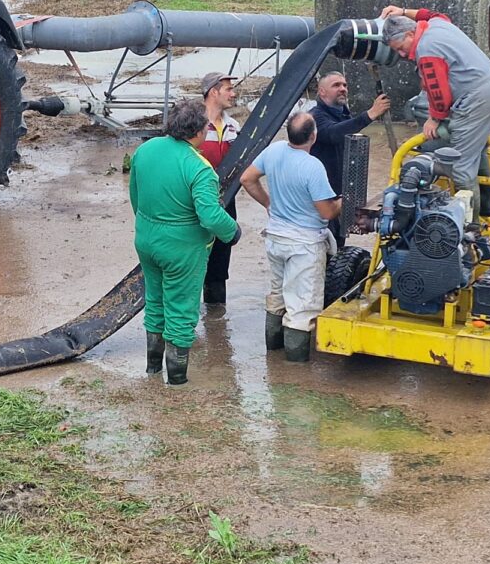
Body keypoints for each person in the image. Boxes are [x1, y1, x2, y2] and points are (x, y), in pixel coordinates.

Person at [130, 99, 241, 386]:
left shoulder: (145, 150)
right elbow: (210, 216)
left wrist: (149, 227)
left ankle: (152, 369)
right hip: (182, 248)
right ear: (200, 131)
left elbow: (136, 197)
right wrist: (233, 232)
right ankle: (176, 381)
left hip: (146, 239)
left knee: (155, 300)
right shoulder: (199, 167)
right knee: (181, 310)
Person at [379, 5, 490, 216]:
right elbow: (432, 14)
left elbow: (439, 94)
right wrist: (403, 12)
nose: (402, 54)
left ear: (411, 33)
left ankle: (470, 229)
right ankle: (487, 207)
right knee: (477, 151)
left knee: (460, 168)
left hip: (477, 100)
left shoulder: (426, 50)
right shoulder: (436, 25)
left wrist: (434, 119)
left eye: (400, 47)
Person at [240, 113, 341, 363]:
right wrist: (342, 202)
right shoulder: (312, 166)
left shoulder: (274, 151)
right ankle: (293, 372)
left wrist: (269, 204)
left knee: (278, 296)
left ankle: (272, 356)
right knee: (302, 308)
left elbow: (247, 179)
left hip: (275, 237)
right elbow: (327, 211)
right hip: (304, 244)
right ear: (313, 136)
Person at [308, 71, 391, 247]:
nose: (343, 89)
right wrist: (369, 114)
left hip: (340, 194)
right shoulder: (314, 117)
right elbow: (333, 133)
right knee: (323, 245)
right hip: (321, 198)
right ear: (322, 92)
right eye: (336, 85)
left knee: (339, 242)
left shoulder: (342, 114)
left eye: (344, 85)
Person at [198, 71, 241, 309]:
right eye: (228, 89)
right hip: (197, 201)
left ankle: (215, 321)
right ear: (213, 92)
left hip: (226, 202)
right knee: (193, 260)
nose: (233, 94)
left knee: (220, 261)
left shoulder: (233, 126)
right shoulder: (192, 124)